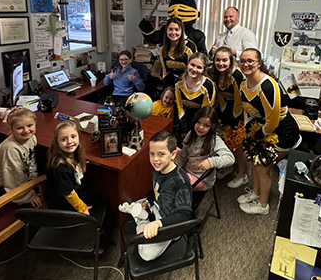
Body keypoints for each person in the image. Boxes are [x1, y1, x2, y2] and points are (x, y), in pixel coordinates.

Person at [237, 48, 301, 215]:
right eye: (242, 61)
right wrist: (248, 130)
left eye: (250, 61)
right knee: (253, 162)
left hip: (282, 132)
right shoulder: (244, 84)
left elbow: (273, 120)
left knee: (261, 167)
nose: (246, 64)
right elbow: (248, 110)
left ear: (259, 63)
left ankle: (263, 205)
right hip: (263, 129)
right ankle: (256, 193)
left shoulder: (268, 86)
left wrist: (258, 137)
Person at [118, 130, 193, 261]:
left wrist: (158, 224)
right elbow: (156, 190)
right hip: (157, 206)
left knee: (146, 254)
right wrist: (148, 201)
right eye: (152, 154)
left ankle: (142, 220)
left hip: (168, 223)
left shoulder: (181, 182)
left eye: (161, 154)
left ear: (173, 154)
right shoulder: (158, 168)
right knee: (135, 203)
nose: (155, 159)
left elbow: (185, 215)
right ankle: (144, 214)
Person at [45, 120, 108, 225]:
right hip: (62, 202)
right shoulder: (59, 167)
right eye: (64, 139)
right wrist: (82, 208)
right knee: (101, 200)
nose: (70, 141)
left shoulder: (73, 154)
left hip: (75, 192)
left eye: (73, 137)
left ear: (79, 137)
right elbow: (68, 193)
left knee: (101, 198)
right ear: (57, 142)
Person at [0, 108, 42, 207]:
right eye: (19, 128)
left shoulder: (32, 138)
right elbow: (14, 177)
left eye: (30, 125)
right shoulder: (11, 149)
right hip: (2, 186)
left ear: (35, 122)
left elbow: (30, 160)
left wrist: (33, 182)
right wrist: (29, 196)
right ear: (11, 127)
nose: (26, 130)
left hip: (21, 179)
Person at [208, 46, 248, 184]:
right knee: (224, 140)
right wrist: (221, 114)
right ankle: (228, 167)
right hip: (225, 109)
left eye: (224, 60)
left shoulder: (237, 75)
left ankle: (242, 175)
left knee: (239, 144)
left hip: (240, 112)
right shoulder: (214, 73)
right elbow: (218, 94)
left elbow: (239, 100)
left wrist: (234, 119)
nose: (221, 63)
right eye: (218, 60)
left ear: (231, 61)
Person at [139, 0, 206, 54]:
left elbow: (203, 56)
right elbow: (153, 38)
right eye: (171, 29)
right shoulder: (166, 31)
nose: (173, 33)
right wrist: (147, 28)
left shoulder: (197, 35)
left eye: (177, 30)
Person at [175, 107, 235, 191]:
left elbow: (230, 158)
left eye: (206, 125)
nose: (201, 127)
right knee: (170, 152)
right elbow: (182, 155)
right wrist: (174, 168)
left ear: (212, 126)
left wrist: (211, 162)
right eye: (198, 122)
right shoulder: (191, 134)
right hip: (188, 168)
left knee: (178, 181)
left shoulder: (214, 140)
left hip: (201, 179)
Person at [174, 52, 216, 143]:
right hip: (184, 118)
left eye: (199, 67)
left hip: (202, 122)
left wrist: (193, 132)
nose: (194, 69)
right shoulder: (179, 82)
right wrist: (184, 128)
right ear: (187, 64)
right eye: (192, 65)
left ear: (204, 69)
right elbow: (179, 106)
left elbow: (205, 112)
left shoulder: (208, 86)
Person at [159, 17, 196, 88]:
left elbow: (194, 71)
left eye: (176, 29)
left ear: (181, 31)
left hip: (188, 83)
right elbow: (165, 72)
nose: (173, 33)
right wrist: (167, 90)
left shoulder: (189, 47)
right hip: (171, 83)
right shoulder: (163, 50)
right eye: (170, 29)